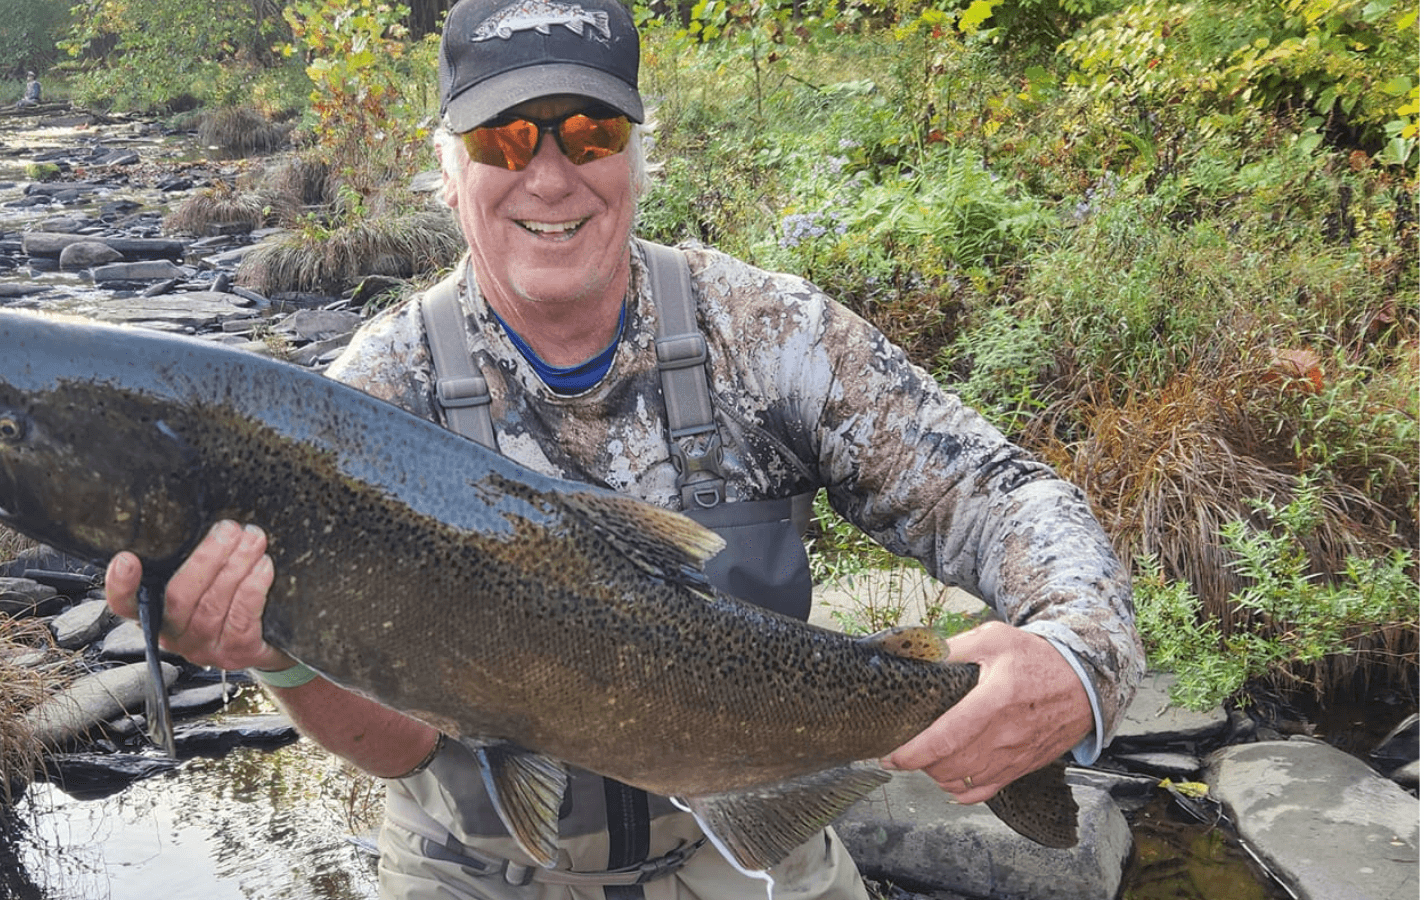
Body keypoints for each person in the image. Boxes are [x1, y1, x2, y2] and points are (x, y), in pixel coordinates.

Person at [103, 0, 1144, 896]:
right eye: (505, 140)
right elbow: (406, 742)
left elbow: (1000, 494)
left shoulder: (764, 332)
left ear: (642, 153)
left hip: (746, 841)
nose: (548, 177)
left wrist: (1074, 660)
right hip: (474, 863)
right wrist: (277, 654)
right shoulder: (374, 402)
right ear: (448, 171)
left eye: (588, 132)